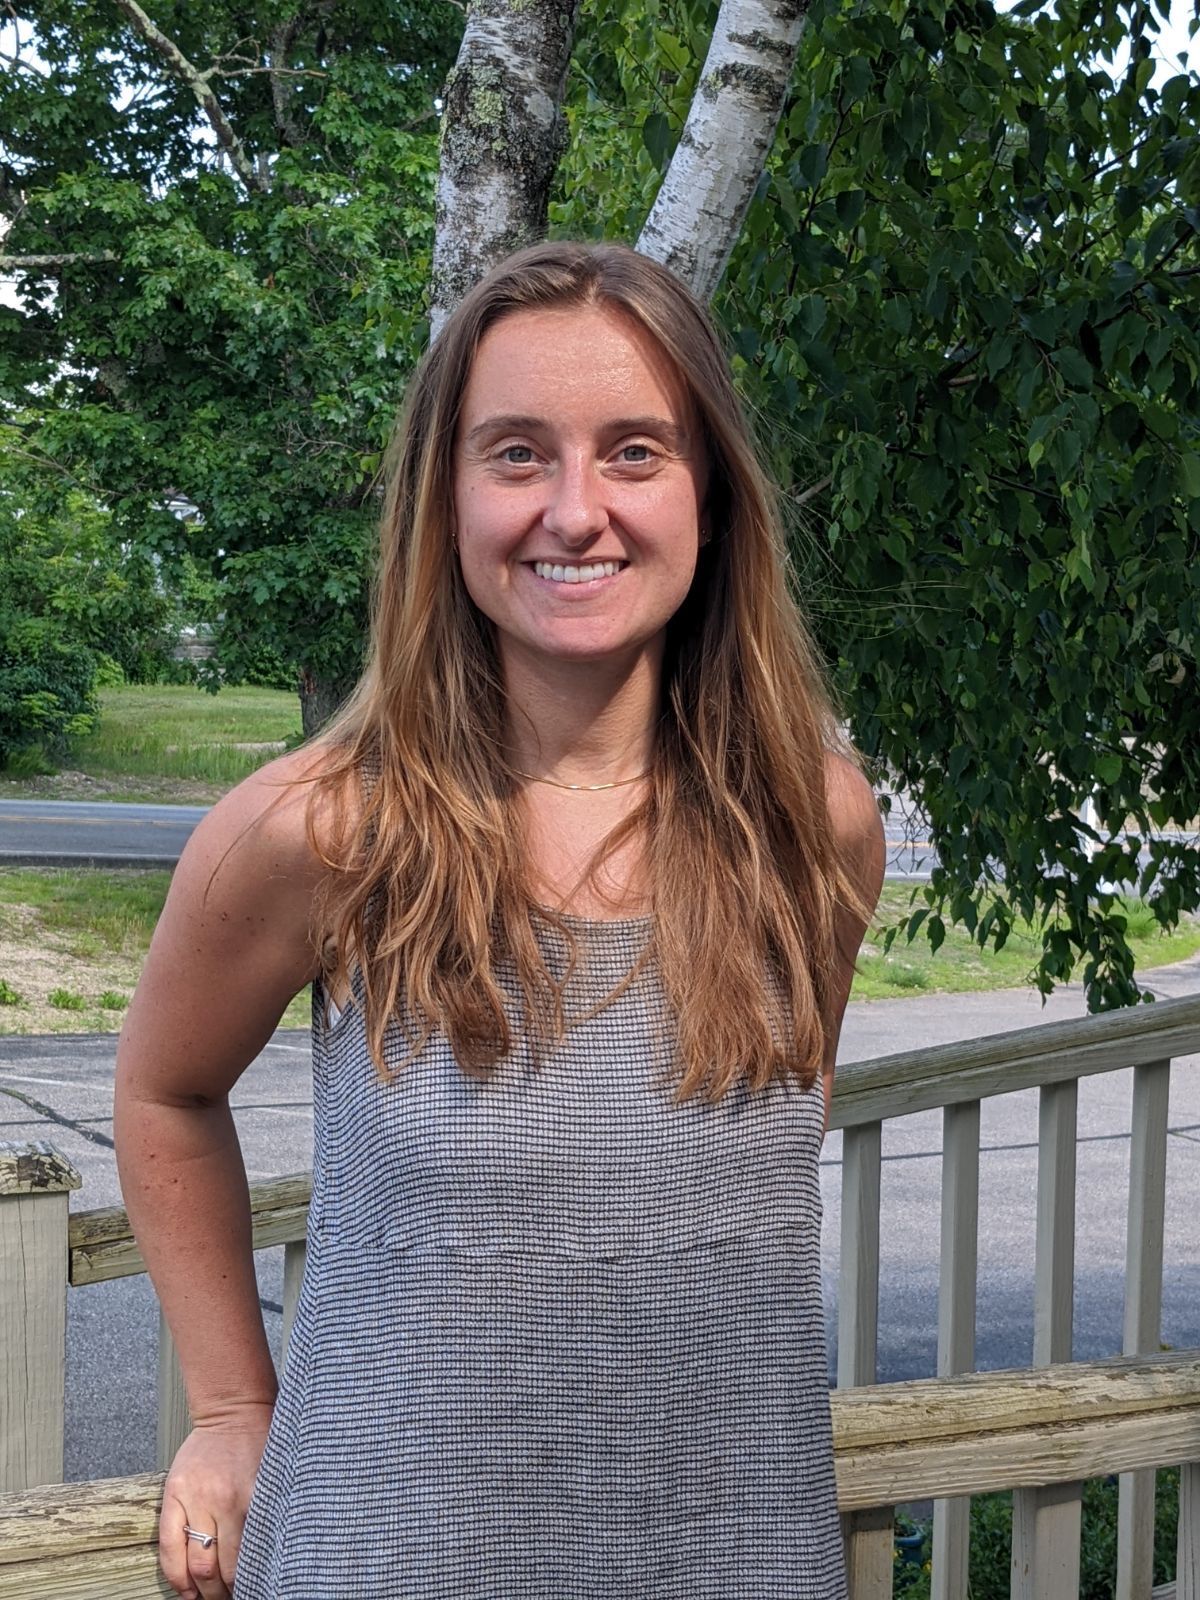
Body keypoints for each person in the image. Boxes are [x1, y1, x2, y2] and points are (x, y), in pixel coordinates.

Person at [113, 238, 886, 1600]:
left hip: (737, 1555)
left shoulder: (810, 828)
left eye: (636, 451)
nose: (575, 510)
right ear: (446, 498)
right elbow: (164, 1091)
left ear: (710, 495)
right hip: (384, 1554)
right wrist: (235, 1412)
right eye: (518, 453)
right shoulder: (319, 833)